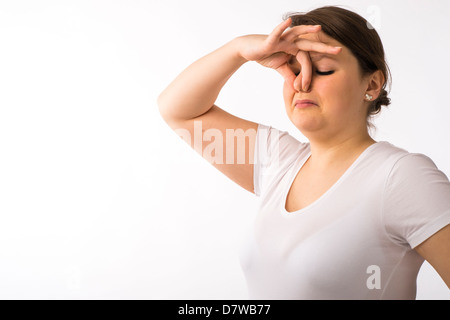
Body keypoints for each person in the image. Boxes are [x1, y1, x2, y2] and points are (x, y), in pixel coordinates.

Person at [157, 6, 450, 299]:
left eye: (322, 69)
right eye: (293, 69)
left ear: (371, 84)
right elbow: (178, 111)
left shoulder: (401, 178)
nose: (301, 82)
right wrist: (239, 49)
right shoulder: (278, 159)